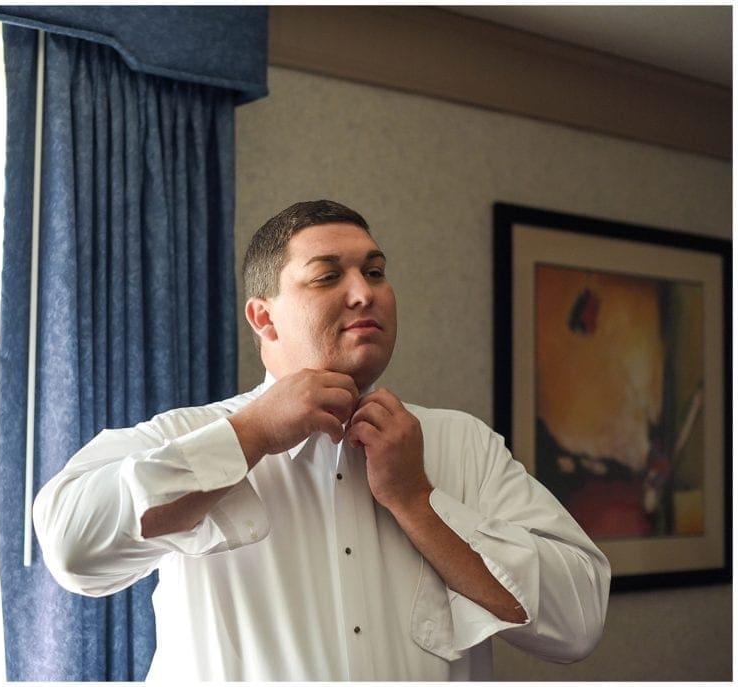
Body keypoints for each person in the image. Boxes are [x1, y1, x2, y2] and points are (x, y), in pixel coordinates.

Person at [33, 199, 611, 680]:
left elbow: (578, 622)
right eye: (329, 275)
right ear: (264, 319)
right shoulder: (185, 435)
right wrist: (251, 434)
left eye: (376, 271)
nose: (365, 293)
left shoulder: (463, 445)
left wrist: (418, 502)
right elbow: (71, 550)